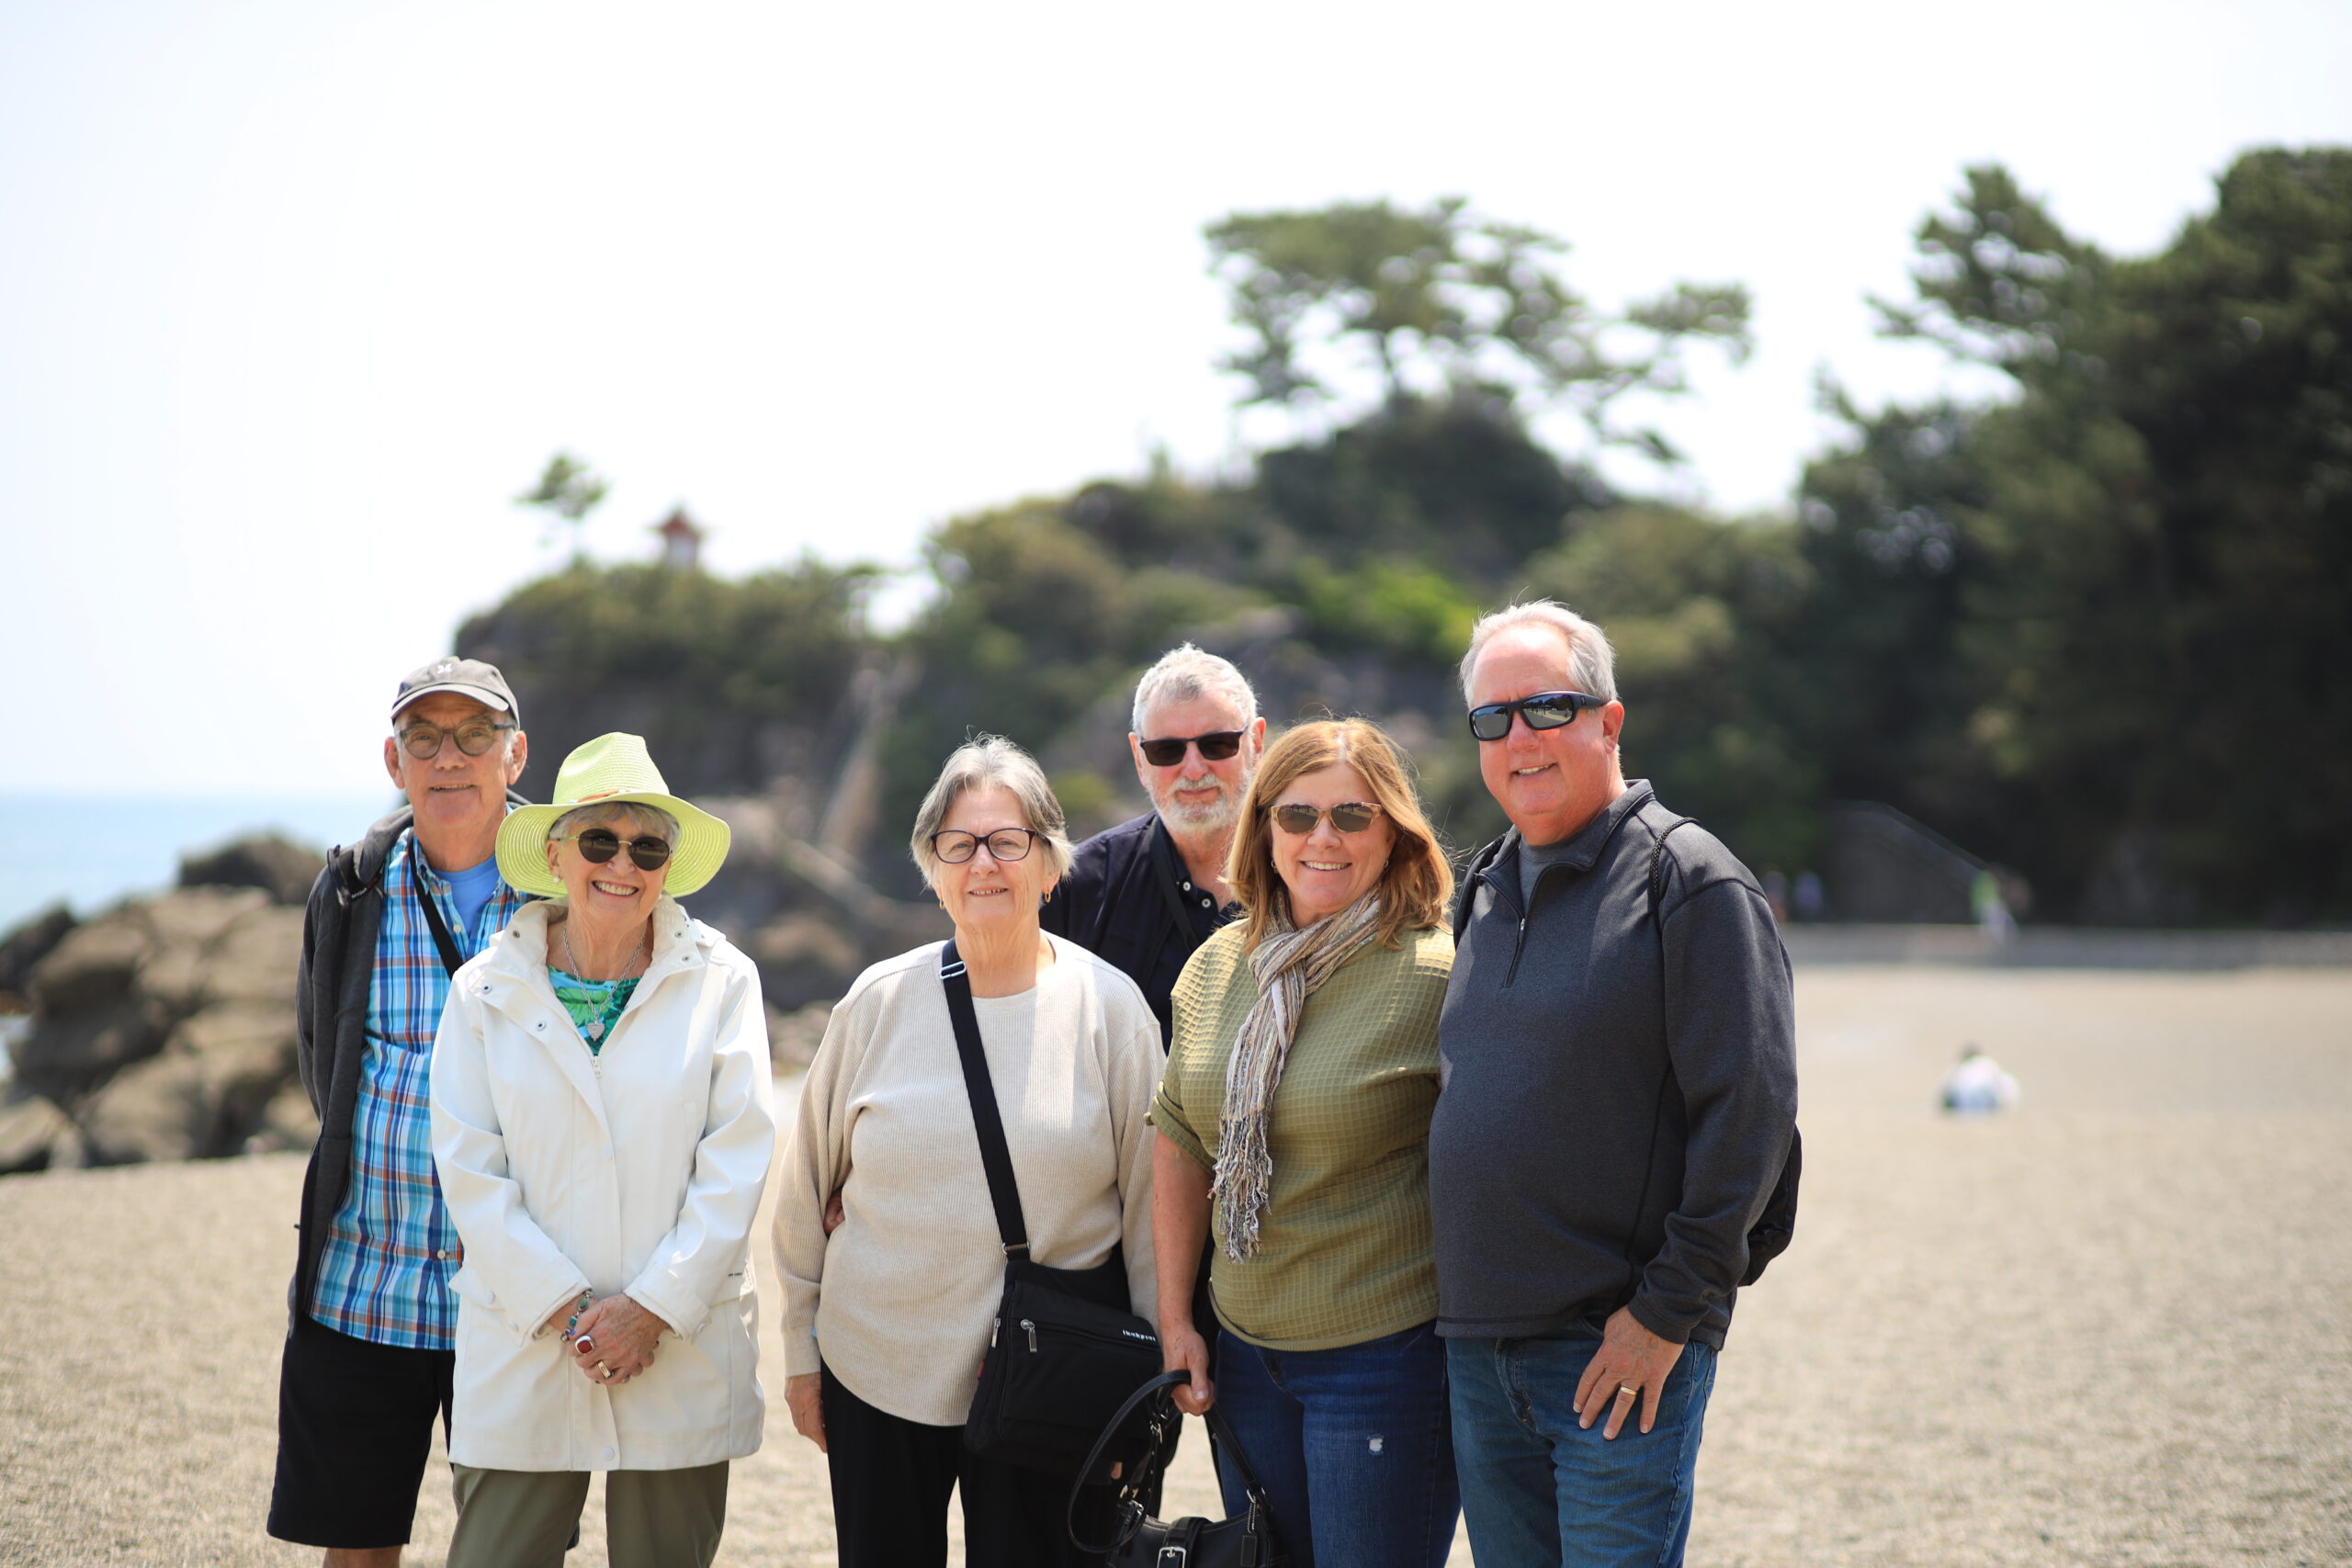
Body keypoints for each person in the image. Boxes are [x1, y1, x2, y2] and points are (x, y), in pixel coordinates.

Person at [1433, 601, 1798, 1568]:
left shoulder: (1690, 881)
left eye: (1546, 708)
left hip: (1614, 1352)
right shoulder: (1480, 887)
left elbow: (1752, 1121)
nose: (1520, 738)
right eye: (1493, 719)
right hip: (1478, 1352)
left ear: (1608, 719)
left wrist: (1665, 1317)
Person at [773, 736, 1162, 1568]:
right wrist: (802, 1353)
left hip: (1050, 1371)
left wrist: (1148, 1375)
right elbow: (805, 1192)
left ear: (1050, 863)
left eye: (1008, 840)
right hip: (876, 1362)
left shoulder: (1110, 1007)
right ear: (934, 867)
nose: (984, 862)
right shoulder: (876, 1002)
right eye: (960, 843)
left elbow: (1151, 1211)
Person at [428, 732, 774, 1568]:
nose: (624, 862)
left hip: (679, 1339)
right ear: (554, 852)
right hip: (525, 1340)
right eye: (599, 839)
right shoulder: (481, 991)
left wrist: (650, 1308)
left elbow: (737, 1162)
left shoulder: (725, 981)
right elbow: (470, 1171)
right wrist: (570, 1310)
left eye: (647, 845)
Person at [1151, 717, 1462, 1568]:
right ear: (1263, 830)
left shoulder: (1438, 972)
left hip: (1385, 1360)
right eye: (1297, 815)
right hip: (1244, 1358)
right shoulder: (1218, 965)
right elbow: (1178, 1134)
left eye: (1353, 816)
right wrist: (1178, 1318)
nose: (1323, 837)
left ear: (1394, 830)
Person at [267, 658, 531, 1567]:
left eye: (474, 734)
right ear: (394, 759)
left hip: (515, 1293)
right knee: (355, 1546)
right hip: (359, 1283)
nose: (448, 755)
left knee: (514, 1548)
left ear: (515, 754)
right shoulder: (351, 886)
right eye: (425, 735)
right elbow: (320, 1056)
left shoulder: (571, 888)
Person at [1042, 643, 1268, 1046]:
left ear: (1256, 742)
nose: (1194, 769)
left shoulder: (1313, 867)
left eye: (1217, 744)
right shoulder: (1077, 887)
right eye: (1167, 750)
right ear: (1139, 758)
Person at [1939, 1043, 2019, 1113]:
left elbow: (1945, 1090)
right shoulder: (1989, 1064)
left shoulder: (1957, 1067)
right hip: (1987, 1104)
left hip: (1962, 1105)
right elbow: (2004, 1087)